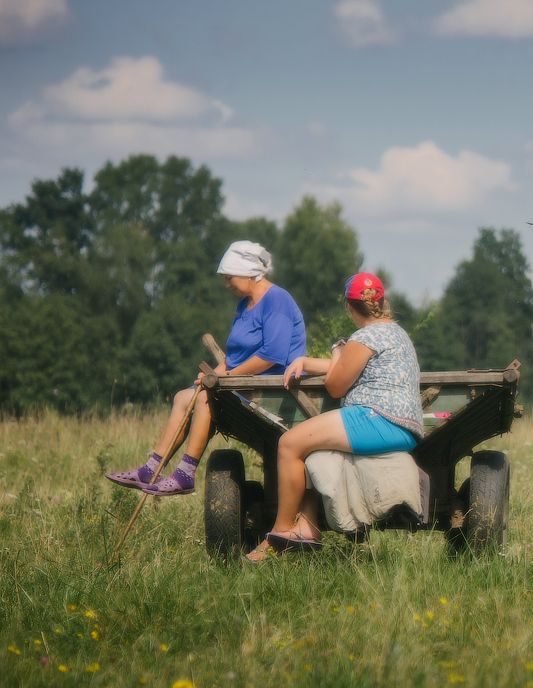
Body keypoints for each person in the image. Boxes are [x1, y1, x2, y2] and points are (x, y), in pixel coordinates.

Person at [105, 241, 307, 497]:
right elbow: (235, 357)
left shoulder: (277, 300)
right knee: (182, 396)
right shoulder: (245, 305)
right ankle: (151, 468)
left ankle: (186, 473)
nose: (227, 284)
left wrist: (227, 378)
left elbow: (271, 355)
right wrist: (215, 374)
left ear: (247, 273)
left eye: (229, 278)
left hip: (270, 388)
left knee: (204, 397)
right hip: (244, 384)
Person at [245, 271, 422, 562]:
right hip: (400, 424)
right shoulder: (394, 332)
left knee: (290, 444)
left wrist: (338, 349)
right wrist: (304, 361)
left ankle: (281, 532)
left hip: (375, 417)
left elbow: (336, 384)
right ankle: (307, 525)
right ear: (382, 302)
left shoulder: (364, 336)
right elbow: (344, 365)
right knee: (312, 448)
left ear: (349, 307)